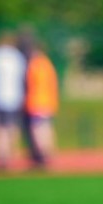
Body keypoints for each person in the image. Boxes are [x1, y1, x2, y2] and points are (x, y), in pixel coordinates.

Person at [0, 32, 27, 170]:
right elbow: (23, 77)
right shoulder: (17, 56)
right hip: (14, 97)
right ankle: (10, 155)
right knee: (11, 127)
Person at [24, 39, 60, 168]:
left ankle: (43, 156)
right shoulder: (47, 64)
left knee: (38, 130)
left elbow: (30, 83)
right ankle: (48, 154)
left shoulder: (36, 65)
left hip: (37, 102)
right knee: (46, 128)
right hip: (48, 101)